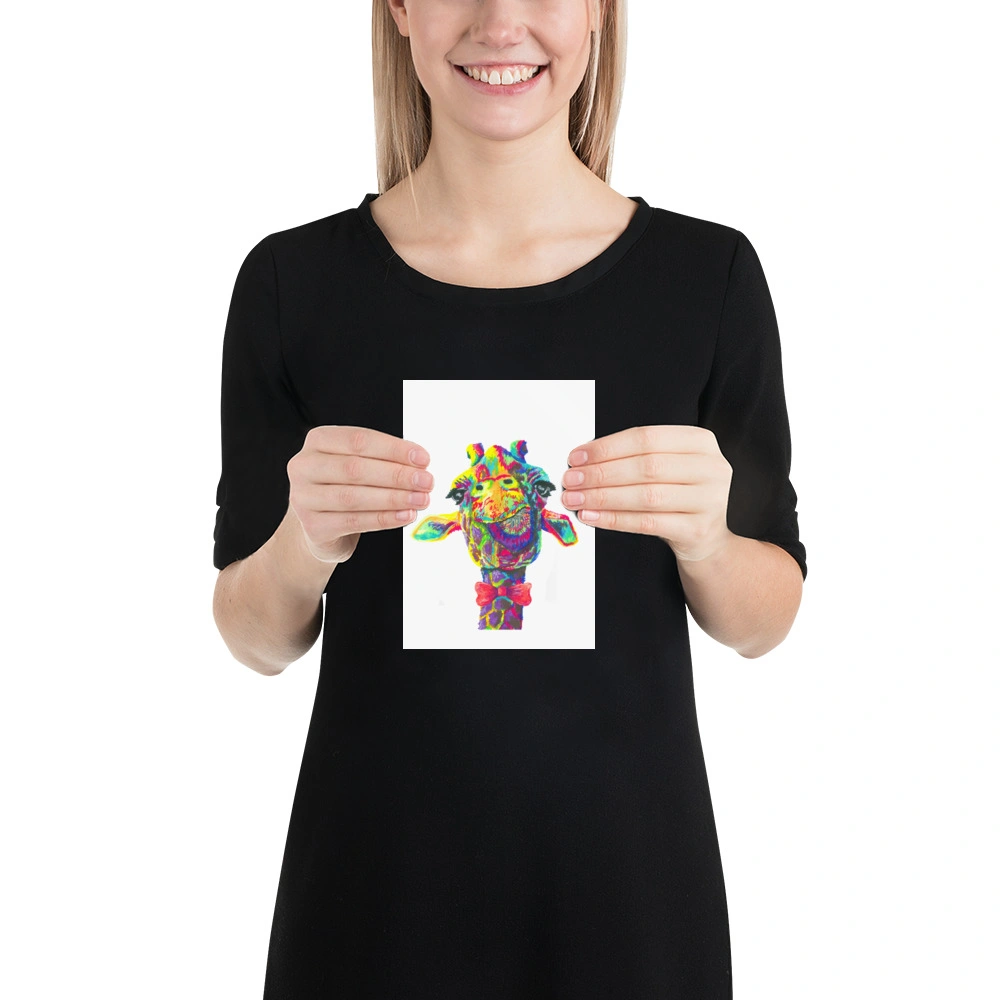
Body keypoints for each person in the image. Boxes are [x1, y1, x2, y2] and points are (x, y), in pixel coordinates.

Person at [212, 0, 807, 996]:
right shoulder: (292, 283)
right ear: (400, 9)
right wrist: (302, 541)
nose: (501, 22)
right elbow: (254, 636)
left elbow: (765, 619)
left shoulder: (708, 279)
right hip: (371, 907)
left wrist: (708, 538)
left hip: (630, 907)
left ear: (600, 11)